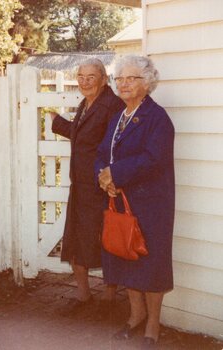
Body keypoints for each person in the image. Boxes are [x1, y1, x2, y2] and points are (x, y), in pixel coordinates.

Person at [96, 55, 175, 348]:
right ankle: (135, 315)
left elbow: (153, 159)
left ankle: (152, 324)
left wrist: (114, 174)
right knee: (125, 254)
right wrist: (103, 177)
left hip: (152, 203)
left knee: (151, 262)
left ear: (147, 83)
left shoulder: (158, 118)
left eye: (131, 78)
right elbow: (102, 152)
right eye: (120, 78)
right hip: (120, 199)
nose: (123, 83)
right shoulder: (118, 116)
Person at [50, 58, 125, 314]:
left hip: (100, 187)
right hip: (80, 186)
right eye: (81, 76)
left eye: (91, 77)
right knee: (76, 239)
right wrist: (58, 123)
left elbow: (115, 146)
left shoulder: (112, 105)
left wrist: (110, 178)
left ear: (104, 79)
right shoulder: (86, 102)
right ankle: (83, 295)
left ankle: (109, 298)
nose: (84, 81)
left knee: (105, 239)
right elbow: (84, 136)